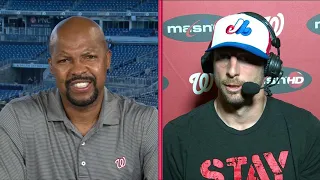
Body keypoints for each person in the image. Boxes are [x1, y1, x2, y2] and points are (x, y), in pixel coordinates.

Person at [163, 12, 320, 180]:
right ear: (210, 64)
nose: (232, 71)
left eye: (245, 59)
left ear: (268, 67)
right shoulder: (176, 136)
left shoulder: (306, 129)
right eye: (223, 57)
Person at [0, 16, 158, 180]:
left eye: (89, 57)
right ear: (52, 66)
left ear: (108, 60)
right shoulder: (17, 118)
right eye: (64, 60)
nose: (78, 69)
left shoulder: (144, 122)